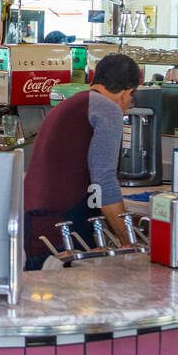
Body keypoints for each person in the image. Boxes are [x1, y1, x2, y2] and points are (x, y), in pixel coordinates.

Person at [23, 53, 141, 271]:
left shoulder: (71, 104)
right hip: (64, 229)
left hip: (34, 222)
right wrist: (130, 243)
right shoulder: (108, 109)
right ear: (127, 93)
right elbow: (103, 182)